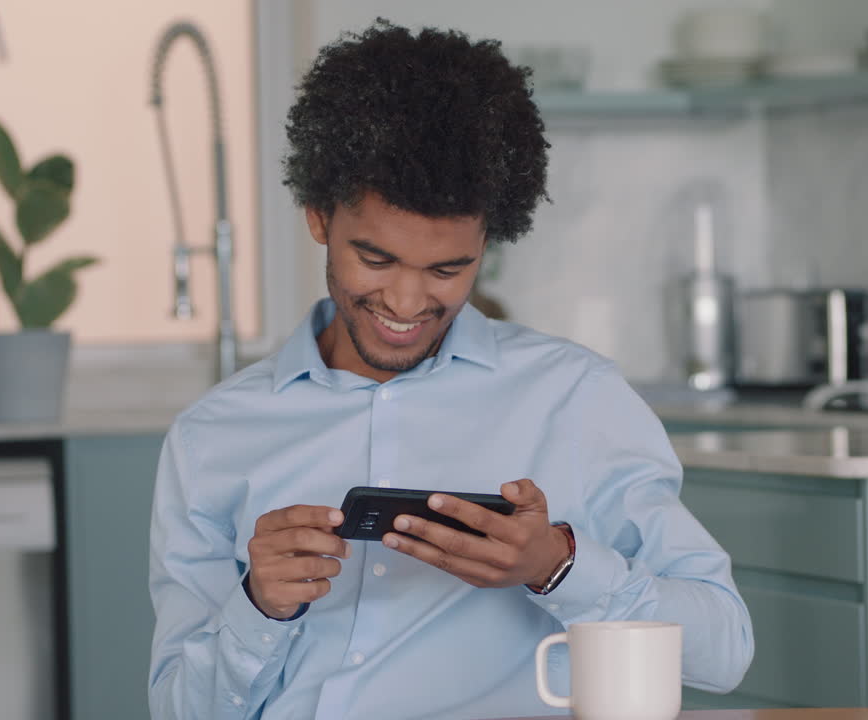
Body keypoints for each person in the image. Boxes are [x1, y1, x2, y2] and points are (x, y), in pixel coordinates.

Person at [148, 20, 753, 720]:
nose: (406, 303)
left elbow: (724, 651)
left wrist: (556, 565)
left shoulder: (575, 398)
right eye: (375, 260)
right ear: (318, 217)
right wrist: (260, 606)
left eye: (446, 269)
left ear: (488, 241)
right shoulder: (213, 436)